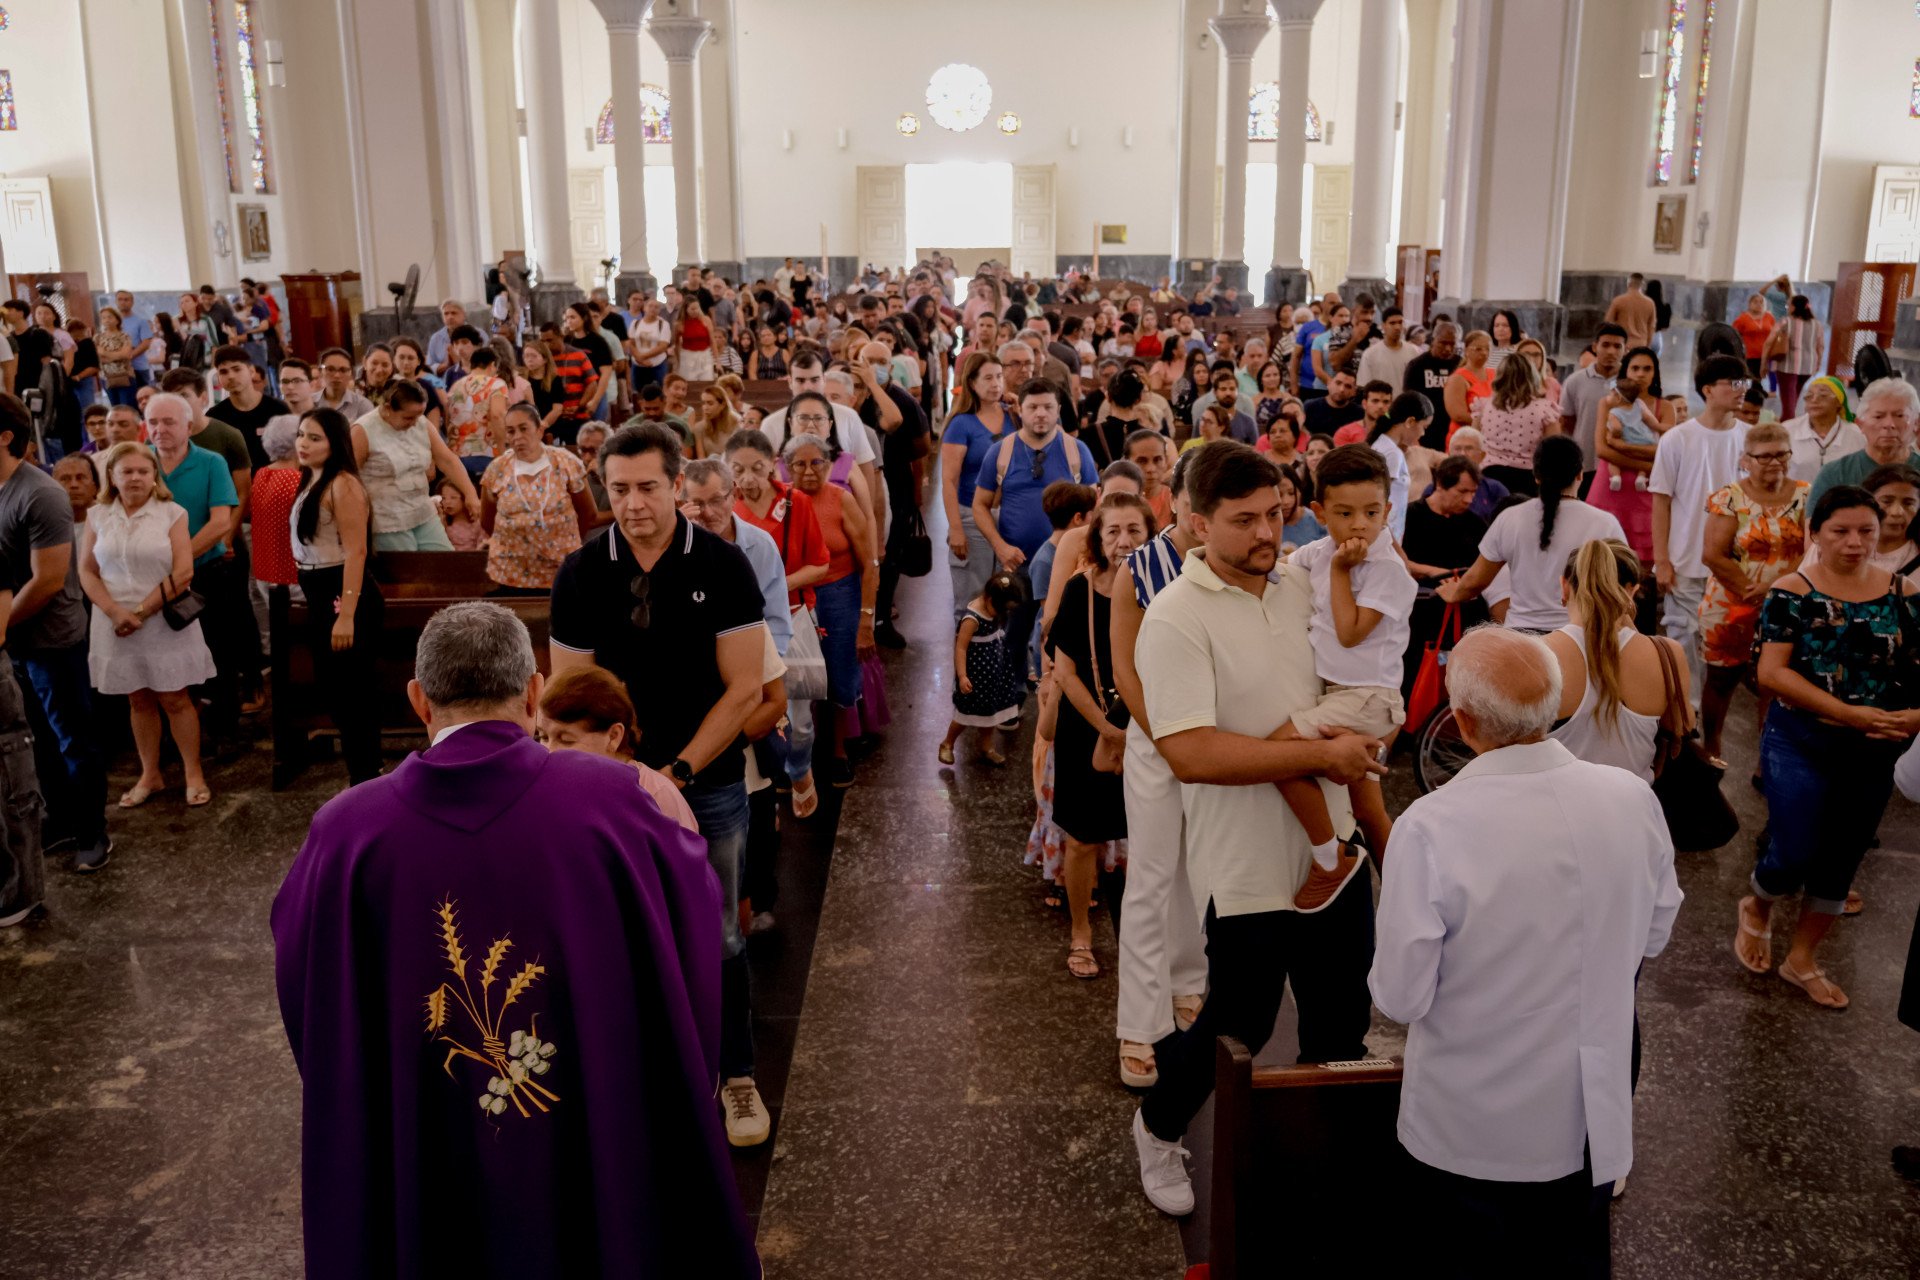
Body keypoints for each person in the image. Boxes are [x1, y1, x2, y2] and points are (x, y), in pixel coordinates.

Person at [271, 602, 758, 1277]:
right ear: (534, 692)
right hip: (591, 1125)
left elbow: (309, 992)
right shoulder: (615, 804)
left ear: (418, 700)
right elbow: (693, 930)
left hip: (423, 1135)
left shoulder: (347, 833)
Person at [1371, 625, 1680, 1279]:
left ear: (1462, 720)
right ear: (1555, 705)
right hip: (1589, 1109)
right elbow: (1654, 930)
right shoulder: (1631, 797)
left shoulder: (1429, 826)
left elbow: (1400, 996)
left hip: (1473, 1120)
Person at [1128, 442, 1390, 1215]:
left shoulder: (1298, 586)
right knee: (1235, 1020)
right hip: (1244, 864)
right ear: (1196, 523)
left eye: (1275, 513)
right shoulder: (1176, 616)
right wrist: (1322, 751)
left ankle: (1322, 1148)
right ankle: (1156, 1124)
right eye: (1243, 521)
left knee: (1342, 1017)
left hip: (1330, 852)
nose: (1267, 534)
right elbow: (1188, 751)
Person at [546, 424, 775, 1147]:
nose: (634, 503)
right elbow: (570, 693)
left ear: (677, 484)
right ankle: (652, 1074)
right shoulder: (581, 573)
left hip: (703, 779)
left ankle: (737, 1074)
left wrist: (672, 772)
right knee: (621, 931)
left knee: (724, 933)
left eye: (647, 487)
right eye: (618, 490)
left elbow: (742, 690)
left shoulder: (725, 564)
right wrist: (617, 773)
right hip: (607, 783)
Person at [1736, 487, 1920, 1010]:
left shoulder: (1903, 594)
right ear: (1815, 533)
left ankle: (1802, 959)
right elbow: (1771, 674)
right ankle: (1758, 900)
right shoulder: (1791, 592)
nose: (1856, 542)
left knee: (1842, 858)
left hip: (1873, 748)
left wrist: (1910, 720)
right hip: (1800, 738)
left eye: (1867, 530)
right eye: (1841, 531)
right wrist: (1848, 714)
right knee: (1792, 848)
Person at [1276, 445, 1416, 911]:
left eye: (1372, 512)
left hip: (1368, 698)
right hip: (1338, 693)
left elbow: (1351, 633)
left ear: (1388, 511)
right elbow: (1279, 577)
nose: (1360, 524)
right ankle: (1411, 900)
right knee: (1369, 811)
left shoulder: (1388, 569)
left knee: (1275, 754)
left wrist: (1340, 571)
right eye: (1345, 513)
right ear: (1319, 512)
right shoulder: (1316, 552)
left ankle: (1329, 857)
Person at [0, 395, 105, 873]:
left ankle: (92, 833)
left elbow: (45, 581)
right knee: (33, 741)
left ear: (5, 437)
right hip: (13, 638)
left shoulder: (40, 493)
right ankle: (59, 820)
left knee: (72, 740)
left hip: (53, 638)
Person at [80, 442, 215, 809]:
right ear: (112, 476)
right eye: (127, 471)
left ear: (155, 475)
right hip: (113, 620)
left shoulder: (172, 513)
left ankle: (192, 772)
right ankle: (150, 774)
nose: (135, 478)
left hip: (161, 618)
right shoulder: (97, 515)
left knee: (175, 698)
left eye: (143, 471)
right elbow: (87, 571)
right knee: (138, 699)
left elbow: (184, 571)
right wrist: (113, 611)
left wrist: (138, 612)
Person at [1697, 422, 1809, 766]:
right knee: (1721, 679)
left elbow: (1812, 548)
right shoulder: (1730, 498)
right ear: (1746, 459)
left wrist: (1777, 591)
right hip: (1731, 603)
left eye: (1782, 454)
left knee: (1775, 683)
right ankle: (1712, 747)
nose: (1775, 462)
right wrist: (1755, 591)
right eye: (1765, 456)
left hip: (1787, 603)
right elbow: (1713, 555)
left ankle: (1768, 757)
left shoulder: (1805, 494)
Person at [1440, 435, 1626, 632]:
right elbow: (1623, 586)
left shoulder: (1510, 518)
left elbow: (1475, 581)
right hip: (1580, 635)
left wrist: (1453, 591)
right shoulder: (1605, 523)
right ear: (1580, 474)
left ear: (1536, 475)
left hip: (1522, 639)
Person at [288, 409, 383, 786]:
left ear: (335, 443)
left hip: (342, 594)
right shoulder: (312, 479)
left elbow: (356, 553)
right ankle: (362, 773)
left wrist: (347, 615)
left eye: (314, 438)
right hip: (318, 589)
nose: (303, 443)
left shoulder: (343, 484)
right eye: (301, 435)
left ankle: (366, 775)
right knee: (336, 692)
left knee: (353, 693)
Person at [1545, 539, 1691, 779]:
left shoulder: (1540, 654)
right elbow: (1683, 727)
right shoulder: (1667, 654)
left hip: (1557, 807)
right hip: (1635, 808)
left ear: (1565, 587)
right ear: (1632, 590)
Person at [779, 431, 875, 791]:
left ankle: (836, 751)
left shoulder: (841, 499)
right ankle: (792, 754)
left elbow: (869, 564)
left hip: (839, 593)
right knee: (793, 676)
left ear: (829, 465)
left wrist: (866, 618)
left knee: (839, 670)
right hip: (794, 595)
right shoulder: (781, 501)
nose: (808, 471)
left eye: (816, 462)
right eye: (799, 464)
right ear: (787, 468)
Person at [1651, 354, 1754, 671]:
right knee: (1683, 644)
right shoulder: (1677, 438)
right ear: (1707, 389)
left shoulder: (1750, 438)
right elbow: (1661, 501)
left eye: (1744, 383)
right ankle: (1686, 715)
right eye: (1733, 383)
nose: (1741, 390)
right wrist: (1662, 560)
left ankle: (1709, 714)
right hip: (1686, 559)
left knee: (1726, 647)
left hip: (1737, 563)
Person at [536, 665, 698, 832]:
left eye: (567, 740)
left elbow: (682, 857)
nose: (550, 751)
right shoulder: (549, 788)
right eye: (543, 737)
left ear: (614, 736)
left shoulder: (656, 795)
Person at [477, 404, 596, 595]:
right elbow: (487, 520)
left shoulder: (566, 462)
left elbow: (588, 513)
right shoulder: (497, 469)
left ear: (539, 430)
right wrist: (517, 538)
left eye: (523, 429)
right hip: (512, 571)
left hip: (560, 567)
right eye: (511, 431)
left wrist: (566, 542)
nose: (517, 437)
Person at [352, 380, 481, 552]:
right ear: (389, 409)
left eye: (419, 415)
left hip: (422, 510)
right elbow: (348, 478)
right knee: (409, 573)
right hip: (387, 519)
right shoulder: (363, 430)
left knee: (446, 562)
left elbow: (447, 460)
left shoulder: (420, 422)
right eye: (408, 417)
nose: (414, 423)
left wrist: (470, 493)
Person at [1588, 346, 1676, 567]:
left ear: (1655, 373)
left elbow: (1666, 453)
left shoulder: (1665, 407)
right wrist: (1647, 462)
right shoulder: (1608, 402)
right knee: (1600, 560)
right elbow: (1601, 449)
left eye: (1647, 369)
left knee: (1643, 563)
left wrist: (1621, 447)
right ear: (1625, 371)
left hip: (1646, 490)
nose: (1640, 374)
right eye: (1635, 368)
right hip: (1610, 486)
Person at [942, 567, 1027, 767]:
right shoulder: (972, 619)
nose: (1003, 614)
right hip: (975, 676)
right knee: (964, 715)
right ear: (989, 599)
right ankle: (947, 743)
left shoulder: (994, 609)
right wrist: (962, 676)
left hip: (994, 673)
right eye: (1002, 609)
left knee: (990, 714)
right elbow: (961, 648)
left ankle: (987, 747)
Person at [1808, 377, 1920, 505]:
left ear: (1916, 423)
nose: (1889, 424)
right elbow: (1813, 524)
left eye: (1899, 416)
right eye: (1878, 416)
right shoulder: (1835, 473)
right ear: (1860, 424)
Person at [1474, 353, 1558, 497]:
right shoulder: (1544, 409)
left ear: (1500, 376)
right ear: (1532, 376)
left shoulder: (1484, 406)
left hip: (1489, 474)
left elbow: (1474, 443)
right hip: (1528, 477)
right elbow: (1553, 450)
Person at [1783, 374, 1862, 485]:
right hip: (1797, 498)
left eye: (1823, 396)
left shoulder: (1855, 434)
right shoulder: (1787, 430)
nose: (1814, 400)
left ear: (1839, 403)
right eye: (1809, 396)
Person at [1369, 392, 1427, 542]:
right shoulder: (1391, 453)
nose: (1423, 433)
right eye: (1423, 427)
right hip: (1385, 538)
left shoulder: (1388, 447)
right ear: (1410, 422)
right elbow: (1379, 500)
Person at [445, 347, 509, 480]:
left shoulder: (456, 386)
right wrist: (503, 451)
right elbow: (497, 416)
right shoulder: (496, 384)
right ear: (492, 365)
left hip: (457, 456)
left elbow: (448, 419)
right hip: (487, 453)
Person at [1775, 295, 1826, 421]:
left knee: (1788, 404)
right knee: (1793, 399)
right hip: (1808, 366)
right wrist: (1818, 364)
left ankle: (1788, 427)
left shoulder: (1786, 321)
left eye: (1788, 305)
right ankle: (1786, 421)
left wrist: (1765, 361)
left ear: (1793, 307)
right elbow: (1821, 346)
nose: (1787, 308)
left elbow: (1771, 341)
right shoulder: (1817, 324)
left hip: (1787, 365)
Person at [1442, 330, 1495, 440]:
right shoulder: (1457, 378)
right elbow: (1458, 415)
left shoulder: (1495, 374)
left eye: (1487, 349)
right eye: (1479, 349)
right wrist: (1490, 421)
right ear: (1466, 351)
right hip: (1464, 438)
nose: (1484, 352)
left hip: (1489, 437)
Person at [1605, 273, 1659, 349]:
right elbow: (1651, 327)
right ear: (1642, 285)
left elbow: (1608, 323)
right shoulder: (1650, 303)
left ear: (1628, 284)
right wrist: (1647, 345)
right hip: (1641, 344)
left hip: (1622, 344)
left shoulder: (1618, 301)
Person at [1733, 293, 1777, 382]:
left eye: (1761, 302)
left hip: (1767, 354)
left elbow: (1775, 333)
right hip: (1750, 355)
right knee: (1753, 378)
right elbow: (1734, 334)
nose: (1759, 304)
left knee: (1766, 376)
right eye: (1755, 302)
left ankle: (1769, 391)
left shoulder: (1769, 317)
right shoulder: (1742, 318)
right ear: (1750, 304)